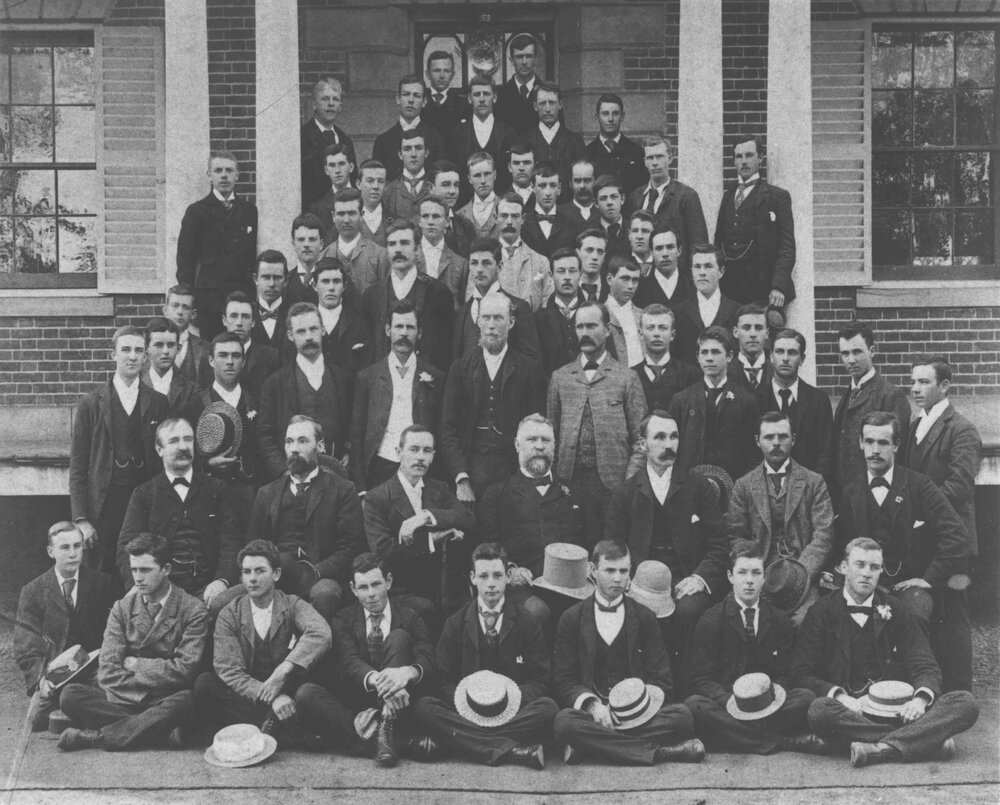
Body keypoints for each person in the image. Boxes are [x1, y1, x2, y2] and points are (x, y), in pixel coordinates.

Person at [795, 538, 979, 767]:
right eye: (860, 564)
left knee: (966, 702)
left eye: (874, 567)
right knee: (819, 711)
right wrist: (841, 697)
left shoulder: (897, 609)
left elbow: (924, 663)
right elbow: (801, 672)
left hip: (899, 711)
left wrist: (920, 700)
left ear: (881, 571)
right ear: (843, 567)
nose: (866, 573)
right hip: (852, 713)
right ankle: (921, 741)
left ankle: (880, 748)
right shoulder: (821, 612)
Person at [834, 412, 974, 688]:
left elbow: (957, 536)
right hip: (868, 585)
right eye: (869, 441)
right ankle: (864, 691)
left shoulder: (919, 485)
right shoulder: (851, 491)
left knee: (914, 613)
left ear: (896, 445)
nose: (875, 450)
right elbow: (842, 544)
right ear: (860, 443)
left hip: (909, 585)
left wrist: (928, 578)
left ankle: (922, 689)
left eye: (883, 442)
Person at [551, 540, 704, 766]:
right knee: (564, 722)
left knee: (682, 716)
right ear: (593, 570)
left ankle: (591, 746)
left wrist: (635, 708)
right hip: (594, 713)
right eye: (609, 570)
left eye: (623, 571)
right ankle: (662, 752)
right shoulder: (572, 617)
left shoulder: (644, 616)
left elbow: (662, 679)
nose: (617, 578)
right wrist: (593, 705)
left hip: (638, 713)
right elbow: (564, 680)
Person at [605, 411, 729, 684]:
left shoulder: (699, 488)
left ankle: (685, 689)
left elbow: (719, 544)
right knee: (638, 613)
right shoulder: (625, 492)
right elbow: (613, 546)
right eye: (659, 437)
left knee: (688, 612)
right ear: (642, 444)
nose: (668, 444)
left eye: (673, 437)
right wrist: (627, 580)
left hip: (686, 578)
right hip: (641, 581)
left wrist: (700, 578)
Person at [412, 542, 559, 769]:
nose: (491, 584)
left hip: (511, 712)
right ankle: (514, 751)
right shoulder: (455, 622)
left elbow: (541, 680)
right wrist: (468, 704)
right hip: (467, 712)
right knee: (425, 707)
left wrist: (508, 701)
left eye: (497, 575)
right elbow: (442, 679)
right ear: (473, 578)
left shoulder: (527, 622)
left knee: (548, 708)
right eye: (483, 576)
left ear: (508, 576)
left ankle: (459, 743)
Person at [58, 534, 208, 752]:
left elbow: (185, 670)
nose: (138, 578)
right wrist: (149, 682)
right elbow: (108, 669)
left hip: (165, 698)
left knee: (186, 701)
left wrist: (136, 665)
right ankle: (158, 730)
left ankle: (99, 737)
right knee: (70, 695)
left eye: (145, 570)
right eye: (134, 570)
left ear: (166, 569)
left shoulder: (192, 610)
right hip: (128, 697)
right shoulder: (122, 608)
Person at [296, 553, 438, 765]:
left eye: (376, 584)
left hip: (400, 706)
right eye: (363, 587)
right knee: (306, 694)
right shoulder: (343, 619)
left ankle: (383, 728)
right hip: (359, 704)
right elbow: (349, 662)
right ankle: (401, 742)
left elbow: (427, 658)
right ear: (353, 589)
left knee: (399, 637)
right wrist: (380, 681)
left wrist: (407, 672)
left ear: (388, 581)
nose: (371, 594)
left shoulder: (410, 616)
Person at [685, 540, 824, 755]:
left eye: (755, 573)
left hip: (768, 703)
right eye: (742, 573)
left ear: (764, 577)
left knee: (805, 698)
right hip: (729, 702)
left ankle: (738, 737)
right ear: (730, 576)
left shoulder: (779, 620)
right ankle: (782, 741)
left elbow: (786, 673)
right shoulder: (711, 619)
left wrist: (767, 700)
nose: (749, 580)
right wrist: (731, 702)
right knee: (694, 705)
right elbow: (701, 679)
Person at [194, 539, 332, 739]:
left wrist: (284, 670)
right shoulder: (230, 613)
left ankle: (267, 728)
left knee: (307, 692)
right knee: (205, 684)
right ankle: (277, 726)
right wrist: (273, 697)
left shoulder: (292, 604)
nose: (252, 579)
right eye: (246, 572)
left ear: (276, 574)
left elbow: (321, 633)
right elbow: (229, 670)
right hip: (253, 696)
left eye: (260, 571)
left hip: (287, 689)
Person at [476, 414, 599, 629]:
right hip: (523, 587)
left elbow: (594, 542)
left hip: (573, 586)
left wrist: (589, 568)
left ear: (554, 446)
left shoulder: (578, 494)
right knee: (537, 612)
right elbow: (487, 548)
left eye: (546, 440)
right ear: (517, 445)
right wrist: (510, 570)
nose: (540, 446)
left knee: (591, 610)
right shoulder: (496, 495)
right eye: (532, 440)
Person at [906, 356, 981, 693]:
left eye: (924, 382)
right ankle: (931, 687)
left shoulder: (961, 429)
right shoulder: (915, 425)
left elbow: (960, 486)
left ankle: (959, 693)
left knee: (952, 616)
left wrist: (920, 510)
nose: (915, 388)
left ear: (945, 386)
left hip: (952, 539)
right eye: (913, 381)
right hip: (923, 537)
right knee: (926, 610)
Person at [246, 415, 366, 621]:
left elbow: (352, 547)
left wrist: (316, 571)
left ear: (320, 446)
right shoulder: (267, 493)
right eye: (289, 442)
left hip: (321, 576)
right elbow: (253, 545)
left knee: (324, 595)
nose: (294, 449)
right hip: (276, 576)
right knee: (222, 602)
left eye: (302, 441)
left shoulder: (342, 490)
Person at [70, 325, 169, 572]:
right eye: (126, 350)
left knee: (141, 566)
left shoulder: (158, 402)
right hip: (104, 506)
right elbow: (78, 467)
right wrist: (81, 519)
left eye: (138, 350)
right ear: (113, 354)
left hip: (143, 502)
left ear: (146, 357)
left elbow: (163, 462)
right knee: (102, 572)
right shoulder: (90, 404)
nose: (132, 356)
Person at [118, 417, 241, 611]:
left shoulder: (217, 489)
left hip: (209, 592)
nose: (183, 446)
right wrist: (138, 585)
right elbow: (127, 546)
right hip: (162, 593)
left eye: (188, 439)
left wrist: (222, 580)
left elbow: (231, 542)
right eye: (174, 441)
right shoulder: (144, 494)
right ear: (159, 449)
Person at [726, 412, 834, 623]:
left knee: (806, 620)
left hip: (802, 572)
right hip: (759, 573)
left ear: (793, 439)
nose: (776, 443)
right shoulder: (743, 485)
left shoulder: (814, 482)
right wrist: (754, 569)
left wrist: (799, 575)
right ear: (757, 441)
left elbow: (824, 536)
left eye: (783, 436)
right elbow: (735, 536)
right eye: (769, 437)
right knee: (739, 618)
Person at [442, 292, 546, 503]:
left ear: (511, 322)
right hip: (471, 473)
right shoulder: (460, 368)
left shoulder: (528, 369)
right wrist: (461, 478)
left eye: (498, 318)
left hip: (513, 473)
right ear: (478, 321)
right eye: (486, 317)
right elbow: (447, 429)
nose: (491, 325)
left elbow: (536, 428)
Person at [363, 425, 473, 623]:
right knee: (426, 610)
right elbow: (383, 551)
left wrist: (426, 516)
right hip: (401, 590)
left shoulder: (440, 489)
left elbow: (467, 518)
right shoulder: (377, 498)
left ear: (433, 456)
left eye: (427, 451)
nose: (421, 457)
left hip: (443, 585)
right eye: (414, 449)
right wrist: (435, 538)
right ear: (398, 452)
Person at [547, 302, 647, 517]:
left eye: (592, 326)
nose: (585, 333)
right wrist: (555, 480)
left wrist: (628, 483)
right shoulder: (560, 378)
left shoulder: (627, 378)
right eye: (580, 327)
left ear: (608, 330)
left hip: (613, 487)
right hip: (568, 484)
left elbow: (641, 440)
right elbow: (550, 435)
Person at [14, 521, 117, 731]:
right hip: (57, 675)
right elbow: (25, 645)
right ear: (50, 551)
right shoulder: (33, 591)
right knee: (37, 720)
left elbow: (116, 633)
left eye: (77, 546)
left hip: (95, 670)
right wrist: (40, 679)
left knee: (88, 697)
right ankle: (80, 714)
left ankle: (78, 714)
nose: (73, 554)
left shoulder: (103, 583)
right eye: (64, 547)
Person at [349, 300, 443, 491]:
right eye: (398, 326)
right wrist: (361, 487)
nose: (404, 333)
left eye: (410, 327)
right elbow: (357, 437)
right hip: (379, 467)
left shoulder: (436, 377)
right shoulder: (368, 377)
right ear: (387, 330)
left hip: (420, 470)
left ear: (419, 332)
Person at [256, 302, 352, 480]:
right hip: (292, 478)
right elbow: (265, 436)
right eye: (301, 331)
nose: (309, 337)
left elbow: (352, 427)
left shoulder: (342, 378)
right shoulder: (275, 383)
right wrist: (284, 472)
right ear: (290, 335)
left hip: (336, 479)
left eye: (313, 329)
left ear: (323, 330)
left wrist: (348, 454)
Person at [176, 151, 258, 341]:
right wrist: (190, 303)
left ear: (237, 175)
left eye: (229, 170)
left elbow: (251, 258)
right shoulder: (196, 211)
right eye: (218, 170)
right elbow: (185, 262)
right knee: (211, 348)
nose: (224, 175)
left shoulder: (249, 211)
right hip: (209, 301)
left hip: (240, 298)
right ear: (209, 175)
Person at [714, 135, 796, 318]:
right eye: (739, 156)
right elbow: (718, 242)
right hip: (730, 287)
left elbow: (787, 247)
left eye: (749, 155)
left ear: (760, 158)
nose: (744, 161)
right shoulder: (728, 195)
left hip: (763, 289)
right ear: (734, 161)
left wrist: (778, 285)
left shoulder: (777, 197)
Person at [188, 332, 262, 530]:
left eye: (236, 356)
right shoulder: (195, 404)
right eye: (223, 355)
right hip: (210, 496)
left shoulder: (257, 400)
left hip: (250, 496)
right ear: (211, 361)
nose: (230, 362)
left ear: (243, 362)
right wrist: (206, 464)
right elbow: (186, 450)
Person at [362, 219, 455, 372]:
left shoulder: (438, 293)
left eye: (404, 243)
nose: (398, 250)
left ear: (417, 250)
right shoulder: (372, 296)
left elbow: (445, 350)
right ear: (387, 251)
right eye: (392, 244)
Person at [667, 326, 758, 481]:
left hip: (733, 487)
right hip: (689, 487)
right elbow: (670, 448)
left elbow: (755, 453)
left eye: (716, 352)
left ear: (729, 356)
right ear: (698, 357)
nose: (709, 358)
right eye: (704, 352)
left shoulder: (746, 401)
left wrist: (741, 487)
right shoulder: (681, 400)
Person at [833, 321, 911, 496]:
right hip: (847, 494)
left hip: (875, 494)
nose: (851, 360)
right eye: (845, 353)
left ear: (872, 351)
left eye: (857, 352)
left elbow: (895, 455)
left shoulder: (890, 396)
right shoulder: (848, 395)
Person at [757, 328, 834, 484]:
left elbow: (825, 454)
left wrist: (812, 489)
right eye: (780, 352)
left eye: (792, 353)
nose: (785, 358)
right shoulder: (756, 399)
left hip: (809, 488)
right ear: (771, 357)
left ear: (801, 359)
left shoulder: (819, 400)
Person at [452, 236, 541, 363]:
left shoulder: (519, 308)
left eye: (486, 263)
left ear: (499, 267)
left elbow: (531, 361)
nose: (479, 269)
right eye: (474, 263)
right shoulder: (462, 313)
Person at [627, 137, 708, 276]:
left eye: (659, 157)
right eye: (650, 158)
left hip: (676, 277)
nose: (655, 163)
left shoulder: (686, 196)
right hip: (642, 277)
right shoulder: (635, 197)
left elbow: (698, 244)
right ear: (645, 162)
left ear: (670, 158)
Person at [196, 290, 281, 399]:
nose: (239, 323)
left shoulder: (271, 357)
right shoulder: (209, 356)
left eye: (245, 317)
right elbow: (202, 398)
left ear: (253, 322)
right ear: (224, 320)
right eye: (234, 316)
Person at [671, 244, 740, 364]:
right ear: (692, 271)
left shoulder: (737, 311)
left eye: (708, 266)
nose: (702, 272)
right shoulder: (678, 312)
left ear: (721, 272)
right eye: (697, 267)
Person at [449, 77, 516, 197]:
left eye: (486, 94)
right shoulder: (456, 133)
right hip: (465, 202)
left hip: (501, 201)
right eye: (477, 94)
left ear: (494, 97)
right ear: (469, 98)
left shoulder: (509, 132)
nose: (481, 99)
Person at [317, 188, 390, 297]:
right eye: (341, 214)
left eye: (352, 213)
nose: (346, 220)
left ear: (361, 215)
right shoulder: (323, 257)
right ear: (333, 216)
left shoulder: (380, 256)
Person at [372, 74, 444, 182]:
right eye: (406, 94)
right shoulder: (383, 141)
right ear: (398, 99)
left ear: (424, 102)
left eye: (416, 95)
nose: (411, 100)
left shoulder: (436, 138)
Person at [522, 82, 586, 203]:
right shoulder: (525, 140)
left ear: (560, 104)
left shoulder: (574, 140)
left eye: (551, 103)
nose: (547, 109)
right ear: (535, 106)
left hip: (567, 206)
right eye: (542, 103)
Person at [630, 305, 700, 413]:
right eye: (650, 328)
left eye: (663, 328)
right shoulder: (630, 376)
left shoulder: (692, 375)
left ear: (672, 335)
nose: (656, 334)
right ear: (641, 334)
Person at [300, 77, 357, 209]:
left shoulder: (345, 140)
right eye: (325, 99)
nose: (331, 104)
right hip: (314, 212)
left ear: (340, 106)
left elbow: (353, 181)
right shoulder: (302, 138)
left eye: (335, 99)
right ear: (314, 104)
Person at [312, 258, 371, 379]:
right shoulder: (305, 324)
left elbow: (365, 374)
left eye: (336, 281)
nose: (331, 287)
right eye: (325, 281)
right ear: (314, 286)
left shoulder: (360, 326)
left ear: (344, 286)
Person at [495, 193, 554, 312]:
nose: (509, 222)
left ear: (523, 219)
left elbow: (548, 308)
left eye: (515, 216)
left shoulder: (540, 262)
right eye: (504, 216)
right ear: (495, 217)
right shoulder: (484, 260)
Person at [533, 247, 585, 375]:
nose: (567, 277)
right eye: (561, 271)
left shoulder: (593, 314)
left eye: (572, 271)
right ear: (551, 275)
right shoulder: (538, 319)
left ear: (581, 274)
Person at [585, 94, 648, 196]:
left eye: (615, 113)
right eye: (605, 114)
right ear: (597, 117)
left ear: (622, 116)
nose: (610, 119)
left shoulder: (636, 151)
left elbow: (643, 189)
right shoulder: (587, 153)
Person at [141, 317, 201, 418]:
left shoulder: (191, 391)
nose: (165, 351)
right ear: (147, 349)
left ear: (178, 349)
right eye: (159, 345)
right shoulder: (136, 386)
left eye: (170, 345)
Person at [520, 160, 579, 259]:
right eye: (542, 185)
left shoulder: (570, 225)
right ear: (533, 188)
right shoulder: (523, 224)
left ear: (559, 189)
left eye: (553, 185)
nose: (548, 192)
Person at [417, 194, 469, 302]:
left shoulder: (460, 264)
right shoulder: (409, 258)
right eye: (425, 216)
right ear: (419, 221)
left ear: (446, 222)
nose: (430, 222)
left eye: (436, 216)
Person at [495, 33, 545, 134]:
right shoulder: (501, 95)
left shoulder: (548, 93)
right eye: (519, 57)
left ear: (535, 59)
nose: (524, 62)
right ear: (511, 60)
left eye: (528, 56)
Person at [308, 143, 357, 243]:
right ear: (326, 170)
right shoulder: (317, 209)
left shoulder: (363, 199)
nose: (337, 170)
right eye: (332, 165)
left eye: (341, 164)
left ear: (351, 167)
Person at [633, 227, 692, 310]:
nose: (665, 254)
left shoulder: (693, 287)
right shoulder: (639, 289)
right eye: (659, 248)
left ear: (679, 251)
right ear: (651, 253)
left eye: (670, 247)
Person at [383, 130, 433, 224]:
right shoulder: (389, 190)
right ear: (400, 155)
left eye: (418, 148)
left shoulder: (435, 187)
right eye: (407, 149)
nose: (413, 154)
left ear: (426, 152)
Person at [249, 251, 293, 355]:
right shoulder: (246, 313)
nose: (272, 284)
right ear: (256, 279)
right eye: (266, 277)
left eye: (277, 277)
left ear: (286, 281)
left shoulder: (294, 315)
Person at [162, 285, 208, 384]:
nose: (180, 312)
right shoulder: (149, 346)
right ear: (165, 310)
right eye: (175, 305)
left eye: (186, 307)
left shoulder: (206, 348)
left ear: (193, 314)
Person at [604, 256, 644, 367]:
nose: (630, 286)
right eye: (625, 279)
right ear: (609, 279)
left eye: (635, 280)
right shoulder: (599, 315)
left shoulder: (644, 316)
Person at [421, 49, 470, 136]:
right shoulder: (420, 101)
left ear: (452, 75)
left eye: (447, 71)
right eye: (437, 70)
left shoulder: (463, 104)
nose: (442, 76)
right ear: (428, 74)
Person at [727, 304, 773, 394]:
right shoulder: (725, 373)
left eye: (758, 328)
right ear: (735, 332)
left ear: (767, 333)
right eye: (746, 328)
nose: (753, 334)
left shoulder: (777, 373)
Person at [456, 152, 501, 238]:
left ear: (494, 175)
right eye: (477, 175)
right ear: (469, 179)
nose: (483, 181)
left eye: (487, 174)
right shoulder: (460, 215)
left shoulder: (507, 209)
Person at [286, 213, 325, 304]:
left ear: (321, 244)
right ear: (294, 244)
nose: (306, 244)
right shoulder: (285, 282)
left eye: (312, 239)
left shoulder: (334, 279)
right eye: (301, 240)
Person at [593, 174, 629, 258]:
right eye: (603, 198)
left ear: (622, 199)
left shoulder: (635, 230)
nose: (609, 202)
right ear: (596, 203)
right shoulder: (589, 233)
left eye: (614, 197)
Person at [558, 159, 599, 229]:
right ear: (570, 184)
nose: (582, 186)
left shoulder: (603, 213)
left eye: (587, 180)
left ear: (595, 182)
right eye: (577, 181)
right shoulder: (559, 213)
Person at [358, 159, 389, 247]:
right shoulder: (350, 220)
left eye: (380, 181)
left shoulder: (393, 219)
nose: (375, 186)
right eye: (370, 181)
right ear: (359, 184)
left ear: (386, 186)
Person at [576, 228, 609, 302]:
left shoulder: (612, 289)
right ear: (578, 253)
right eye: (589, 250)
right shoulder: (567, 287)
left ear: (604, 256)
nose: (595, 257)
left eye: (600, 251)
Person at [626, 210, 656, 277]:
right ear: (629, 235)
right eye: (635, 231)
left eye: (645, 231)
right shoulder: (620, 263)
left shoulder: (661, 262)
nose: (639, 236)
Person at [507, 141, 536, 206]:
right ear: (509, 167)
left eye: (527, 163)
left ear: (535, 166)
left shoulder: (542, 197)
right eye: (516, 163)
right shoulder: (501, 198)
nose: (521, 168)